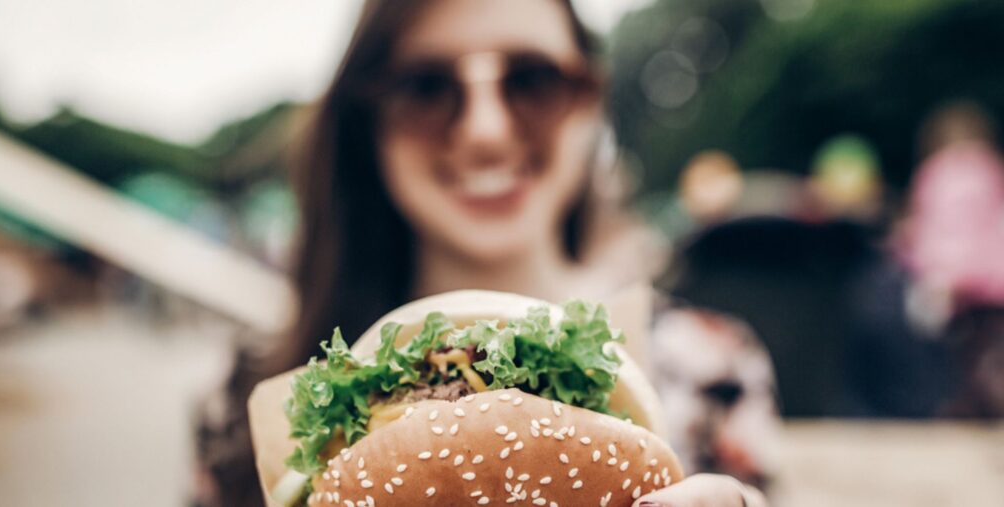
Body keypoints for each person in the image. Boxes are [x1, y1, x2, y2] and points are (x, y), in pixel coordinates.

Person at [197, 1, 772, 506]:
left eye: (532, 80)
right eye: (426, 86)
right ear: (366, 121)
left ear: (589, 102)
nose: (486, 130)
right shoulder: (241, 401)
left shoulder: (713, 367)